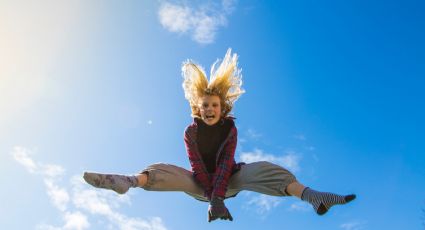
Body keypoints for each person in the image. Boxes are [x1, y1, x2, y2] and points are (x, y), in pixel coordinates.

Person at [83, 49, 356, 222]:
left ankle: (312, 196)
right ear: (197, 109)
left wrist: (219, 198)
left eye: (214, 105)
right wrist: (210, 196)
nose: (210, 109)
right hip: (200, 185)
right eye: (205, 106)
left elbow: (226, 164)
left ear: (222, 108)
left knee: (261, 169)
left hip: (229, 183)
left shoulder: (229, 129)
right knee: (166, 170)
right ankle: (128, 181)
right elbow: (197, 166)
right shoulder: (190, 132)